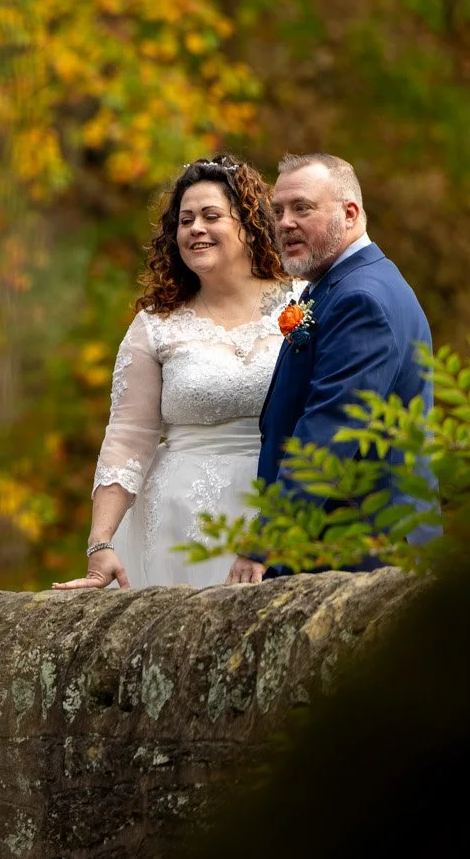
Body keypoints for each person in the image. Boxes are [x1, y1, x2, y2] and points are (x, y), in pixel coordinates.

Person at [54, 156, 295, 592]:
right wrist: (100, 542)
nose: (196, 229)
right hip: (180, 518)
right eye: (185, 220)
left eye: (211, 216)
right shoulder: (156, 325)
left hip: (281, 500)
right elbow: (128, 436)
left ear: (250, 225)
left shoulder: (302, 303)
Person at [240, 152, 435, 582]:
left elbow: (326, 434)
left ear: (350, 214)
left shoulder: (361, 298)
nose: (285, 222)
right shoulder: (338, 285)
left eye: (302, 208)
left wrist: (266, 544)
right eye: (278, 211)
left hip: (361, 553)